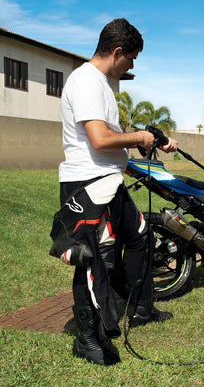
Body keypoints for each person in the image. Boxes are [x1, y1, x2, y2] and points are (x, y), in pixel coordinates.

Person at [51, 18, 178, 366]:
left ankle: (139, 308)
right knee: (93, 258)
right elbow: (99, 139)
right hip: (88, 185)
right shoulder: (86, 81)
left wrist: (150, 141)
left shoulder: (103, 84)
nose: (132, 66)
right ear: (117, 51)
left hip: (109, 180)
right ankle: (87, 338)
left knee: (139, 236)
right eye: (131, 59)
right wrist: (138, 138)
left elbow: (110, 138)